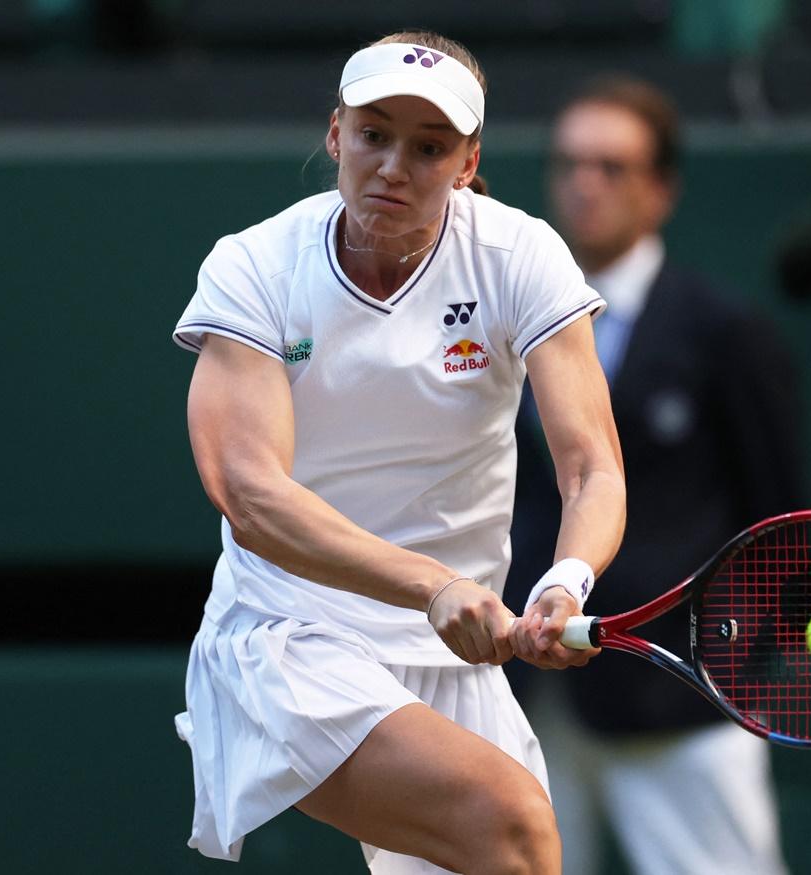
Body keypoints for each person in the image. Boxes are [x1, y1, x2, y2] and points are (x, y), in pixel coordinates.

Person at [170, 31, 626, 875]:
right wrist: (433, 586)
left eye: (428, 147)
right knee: (515, 827)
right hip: (288, 635)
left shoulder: (518, 255)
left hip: (456, 652)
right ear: (337, 133)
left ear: (467, 160)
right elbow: (250, 493)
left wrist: (567, 580)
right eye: (375, 134)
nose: (393, 165)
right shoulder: (255, 268)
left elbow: (591, 466)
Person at [507, 76, 805, 875]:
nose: (585, 184)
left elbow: (777, 513)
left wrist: (725, 667)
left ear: (662, 189)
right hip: (527, 697)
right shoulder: (502, 325)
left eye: (612, 166)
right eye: (570, 163)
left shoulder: (726, 333)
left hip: (681, 703)